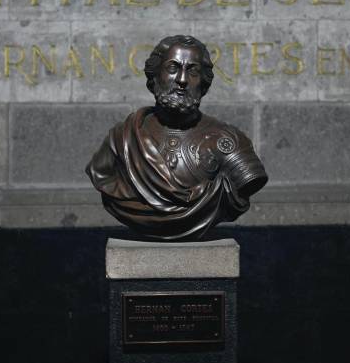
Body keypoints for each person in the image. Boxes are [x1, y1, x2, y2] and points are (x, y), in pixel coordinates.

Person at [86, 35, 268, 240]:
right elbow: (103, 177)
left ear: (204, 82)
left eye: (193, 71)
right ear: (155, 76)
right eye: (173, 68)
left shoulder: (229, 142)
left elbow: (248, 182)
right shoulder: (122, 138)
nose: (182, 80)